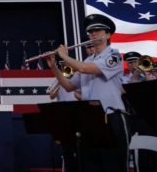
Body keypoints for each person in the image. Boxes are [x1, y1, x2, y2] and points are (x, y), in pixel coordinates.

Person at [51, 14, 129, 172]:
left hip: (111, 117)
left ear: (108, 35)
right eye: (90, 31)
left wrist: (64, 56)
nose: (93, 34)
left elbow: (85, 70)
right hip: (90, 119)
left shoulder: (113, 56)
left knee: (112, 164)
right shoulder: (87, 60)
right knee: (91, 164)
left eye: (98, 30)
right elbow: (68, 87)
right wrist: (54, 66)